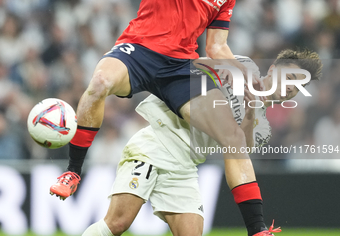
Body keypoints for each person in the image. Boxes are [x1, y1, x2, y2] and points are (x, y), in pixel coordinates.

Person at [80, 50, 323, 236]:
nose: (291, 87)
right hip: (157, 142)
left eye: (298, 85)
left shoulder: (264, 127)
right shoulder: (243, 66)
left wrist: (250, 111)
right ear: (272, 70)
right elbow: (190, 66)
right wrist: (221, 69)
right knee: (117, 224)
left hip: (186, 165)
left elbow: (241, 152)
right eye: (290, 76)